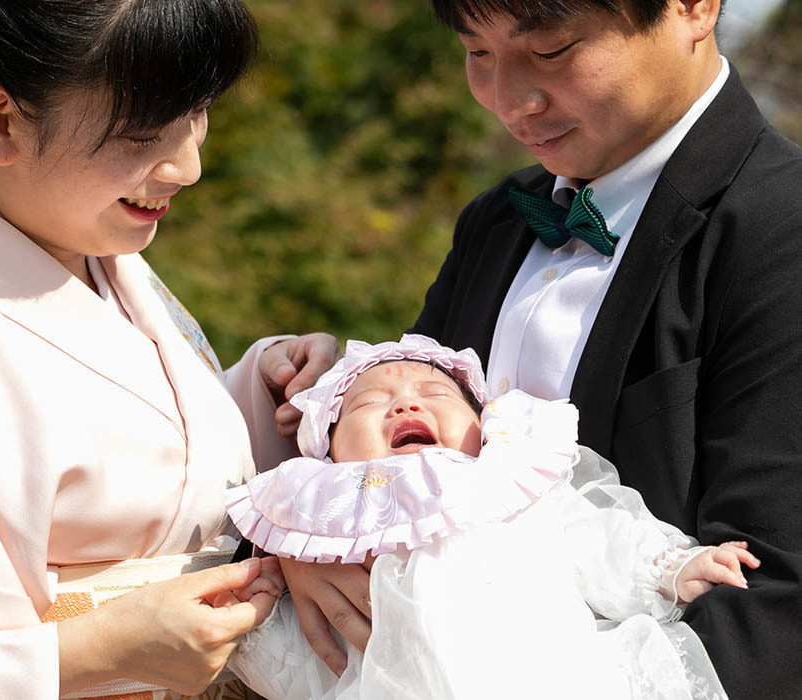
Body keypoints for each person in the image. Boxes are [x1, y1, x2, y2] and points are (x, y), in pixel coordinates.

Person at [278, 2, 802, 698]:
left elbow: (773, 591)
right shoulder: (497, 220)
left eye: (551, 51)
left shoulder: (781, 225)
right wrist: (304, 545)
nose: (509, 100)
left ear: (693, 8)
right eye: (478, 55)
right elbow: (390, 441)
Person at [0, 2, 338, 698]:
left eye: (197, 111)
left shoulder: (82, 238)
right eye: (142, 135)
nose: (188, 165)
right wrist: (92, 650)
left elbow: (159, 476)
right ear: (1, 122)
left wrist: (263, 391)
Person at [224, 335, 758, 699]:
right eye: (367, 404)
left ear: (484, 424)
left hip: (552, 680)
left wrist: (670, 568)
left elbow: (594, 537)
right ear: (329, 453)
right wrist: (253, 627)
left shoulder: (507, 490)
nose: (406, 406)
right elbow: (317, 650)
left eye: (434, 394)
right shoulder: (331, 531)